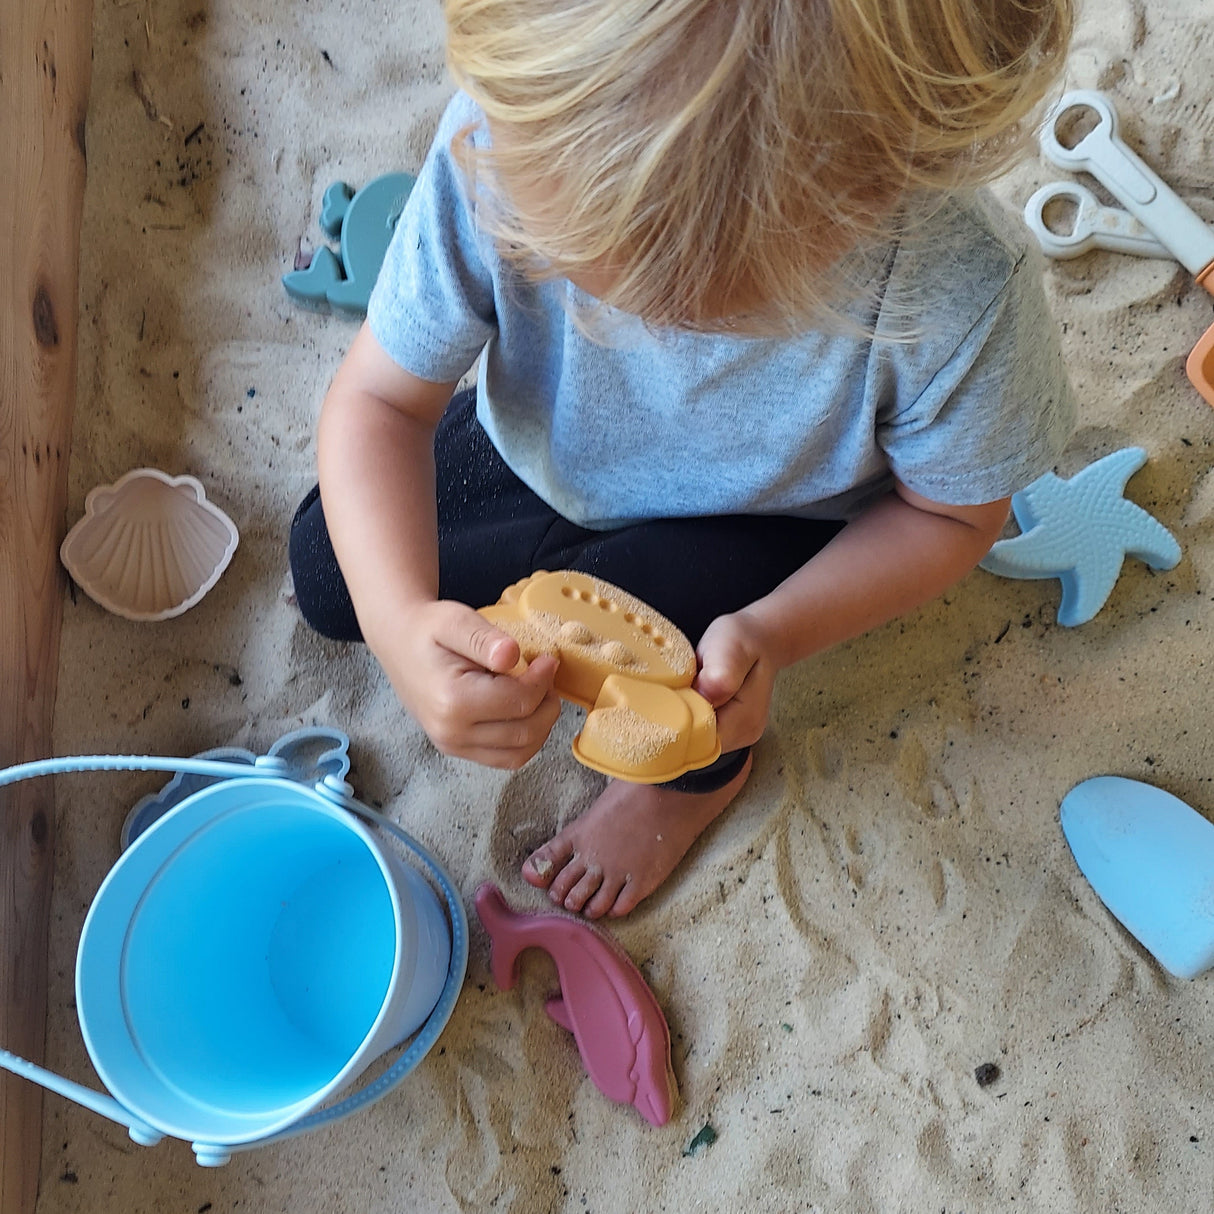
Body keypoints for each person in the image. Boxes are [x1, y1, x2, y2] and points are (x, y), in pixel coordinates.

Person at [289, 0, 1076, 919]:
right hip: (544, 451)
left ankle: (686, 791)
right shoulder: (507, 136)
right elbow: (380, 404)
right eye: (585, 267)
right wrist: (399, 625)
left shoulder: (960, 291)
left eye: (707, 308)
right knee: (329, 570)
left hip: (769, 522)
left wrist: (778, 635)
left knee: (712, 689)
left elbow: (949, 515)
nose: (646, 327)